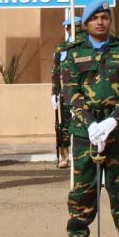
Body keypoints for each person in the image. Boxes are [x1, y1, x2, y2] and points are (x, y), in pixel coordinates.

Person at [58, 0, 119, 237]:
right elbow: (71, 92)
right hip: (85, 133)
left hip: (118, 131)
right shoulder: (72, 53)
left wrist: (112, 121)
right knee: (83, 192)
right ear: (85, 23)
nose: (100, 21)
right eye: (95, 18)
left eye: (105, 17)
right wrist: (91, 125)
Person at [50, 17, 78, 169]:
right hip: (66, 92)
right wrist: (54, 92)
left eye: (77, 27)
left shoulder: (88, 46)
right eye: (70, 27)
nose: (74, 30)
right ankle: (65, 155)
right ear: (67, 29)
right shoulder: (61, 48)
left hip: (86, 92)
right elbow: (55, 71)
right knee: (65, 125)